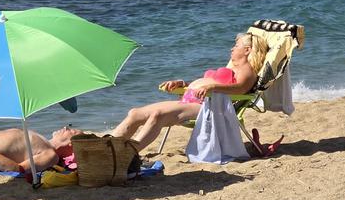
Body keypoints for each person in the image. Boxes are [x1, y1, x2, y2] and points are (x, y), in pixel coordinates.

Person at [111, 33, 268, 153]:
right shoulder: (231, 68)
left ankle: (128, 154)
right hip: (190, 100)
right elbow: (203, 85)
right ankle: (108, 147)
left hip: (208, 107)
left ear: (247, 50)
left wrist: (211, 87)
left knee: (157, 114)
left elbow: (240, 89)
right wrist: (183, 84)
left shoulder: (247, 71)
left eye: (236, 45)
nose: (232, 48)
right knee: (135, 113)